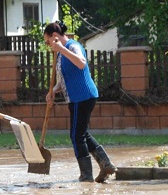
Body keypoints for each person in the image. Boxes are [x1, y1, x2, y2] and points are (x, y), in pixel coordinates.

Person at [44, 21, 117, 182]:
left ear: (54, 36)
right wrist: (53, 91)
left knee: (76, 136)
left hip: (82, 96)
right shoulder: (61, 54)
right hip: (77, 97)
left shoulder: (72, 46)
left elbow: (81, 63)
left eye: (47, 41)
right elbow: (64, 79)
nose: (48, 45)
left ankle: (86, 176)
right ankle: (106, 164)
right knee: (81, 133)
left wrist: (61, 48)